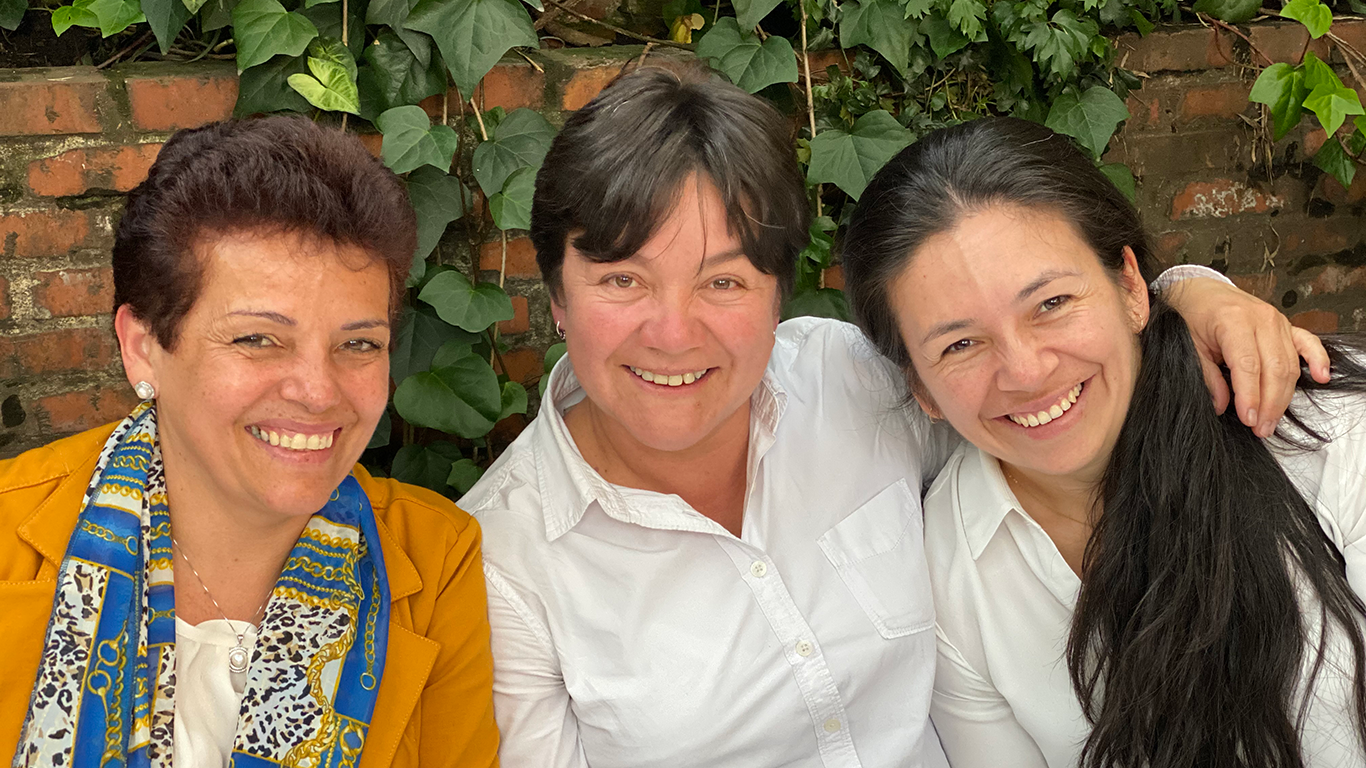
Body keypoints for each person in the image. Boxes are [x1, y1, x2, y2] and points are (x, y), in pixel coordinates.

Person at [460, 68, 1328, 767]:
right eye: (623, 281)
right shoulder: (502, 563)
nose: (675, 332)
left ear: (776, 296)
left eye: (723, 280)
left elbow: (1014, 370)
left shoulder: (847, 377)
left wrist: (1188, 299)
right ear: (557, 301)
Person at [841, 116, 1366, 768]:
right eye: (960, 344)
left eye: (1052, 303)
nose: (1027, 372)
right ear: (920, 389)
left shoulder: (1326, 433)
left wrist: (1194, 287)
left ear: (1129, 289)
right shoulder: (950, 574)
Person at [0, 117, 499, 768]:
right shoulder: (10, 535)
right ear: (143, 347)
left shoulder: (436, 564)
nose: (320, 393)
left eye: (358, 344)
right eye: (257, 339)